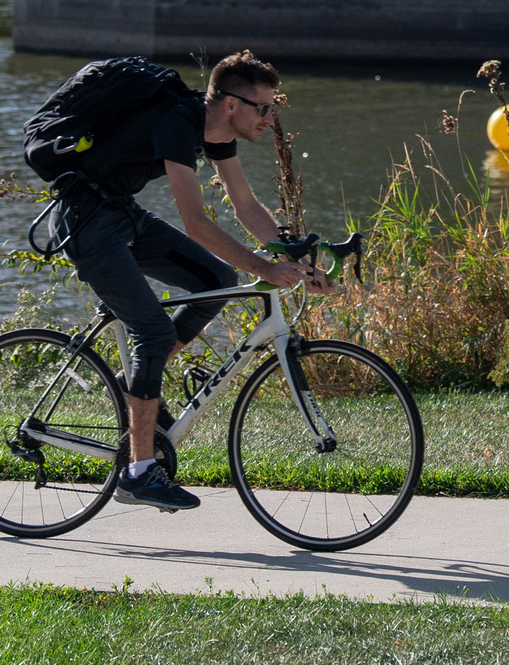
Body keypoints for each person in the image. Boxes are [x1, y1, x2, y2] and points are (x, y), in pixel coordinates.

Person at [41, 49, 322, 511]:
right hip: (86, 224)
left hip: (120, 214)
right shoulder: (177, 122)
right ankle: (138, 473)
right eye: (264, 107)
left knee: (215, 278)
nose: (271, 119)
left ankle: (131, 381)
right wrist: (266, 270)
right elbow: (196, 224)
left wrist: (295, 258)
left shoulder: (213, 130)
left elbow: (245, 204)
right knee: (151, 331)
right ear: (231, 104)